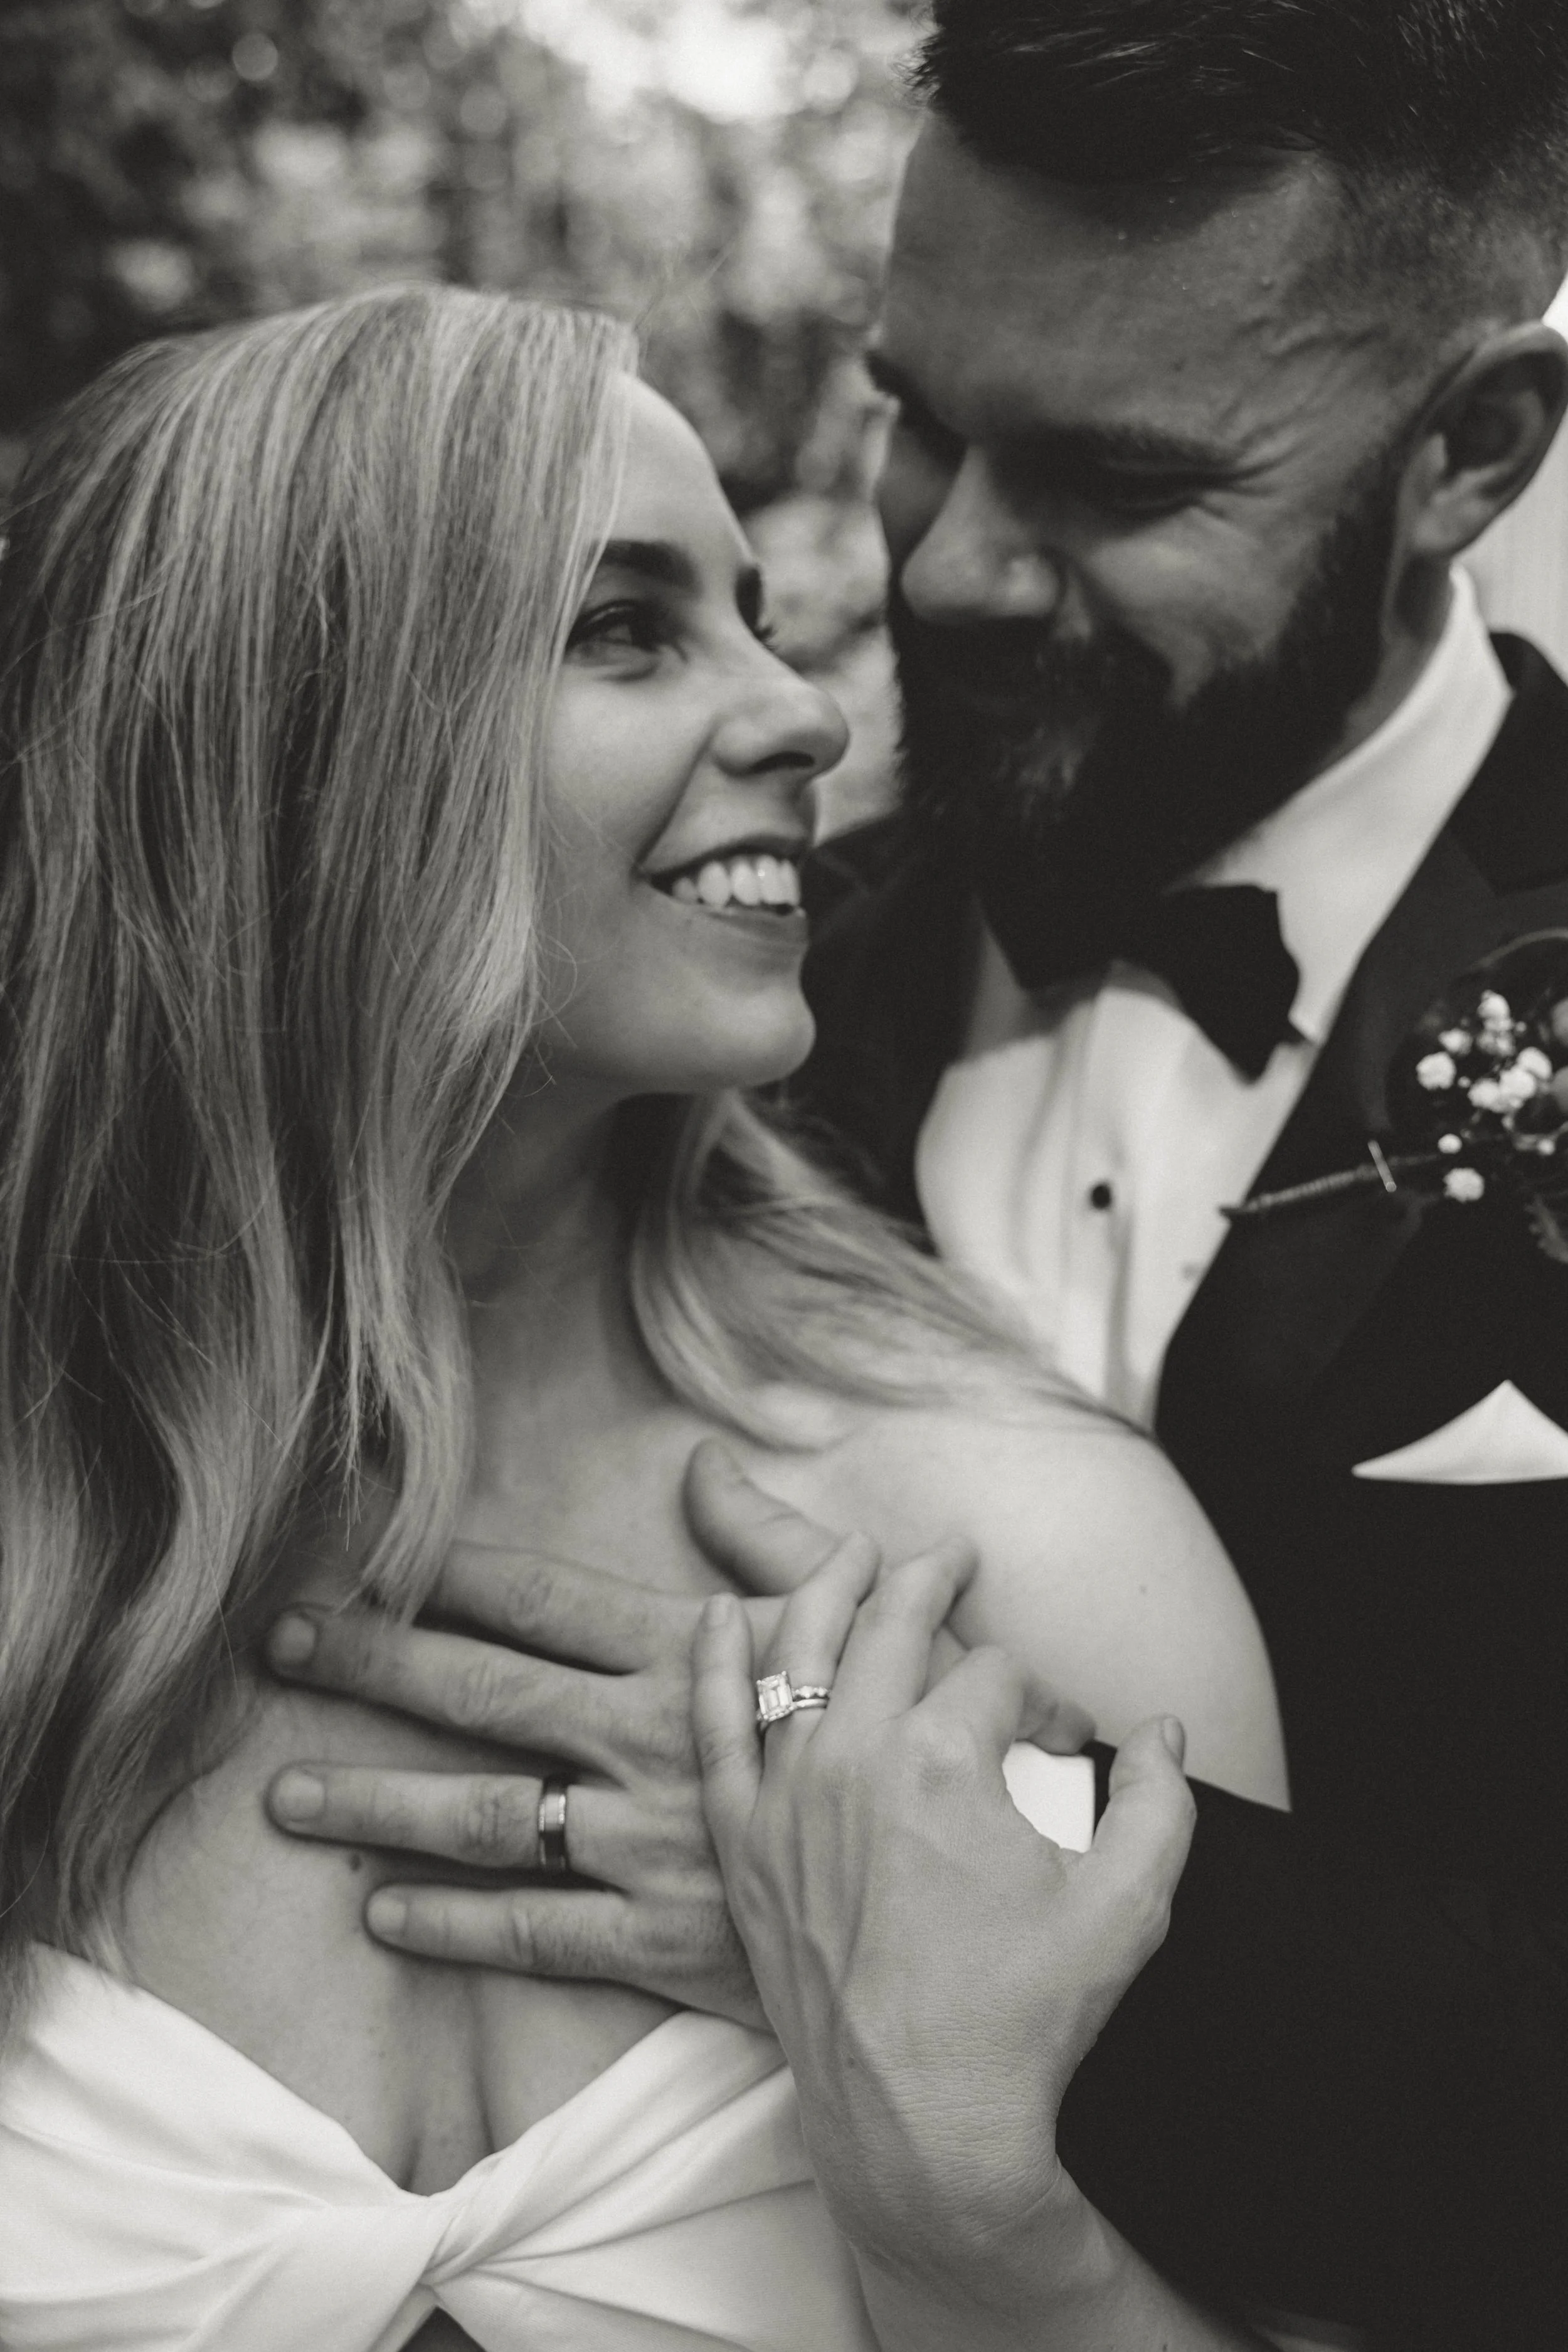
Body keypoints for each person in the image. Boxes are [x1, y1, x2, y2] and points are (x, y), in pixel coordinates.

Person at [263, 7, 1568, 2346]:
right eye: (919, 419)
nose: (945, 573)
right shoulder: (701, 1019)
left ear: (1468, 454)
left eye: (1112, 477)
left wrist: (947, 1876)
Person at [0, 282, 1286, 2349]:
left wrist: (969, 2212)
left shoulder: (1024, 1556)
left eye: (758, 619)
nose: (804, 716)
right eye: (624, 627)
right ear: (288, 748)